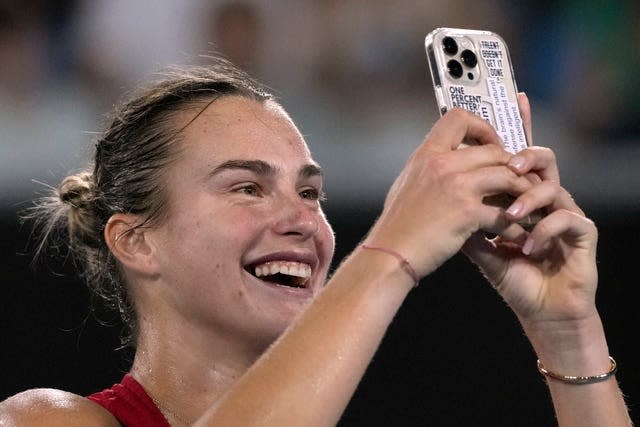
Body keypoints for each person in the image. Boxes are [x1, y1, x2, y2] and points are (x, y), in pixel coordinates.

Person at [0, 59, 632, 426]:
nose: (301, 219)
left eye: (311, 193)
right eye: (247, 188)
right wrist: (392, 250)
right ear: (136, 241)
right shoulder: (44, 421)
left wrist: (567, 330)